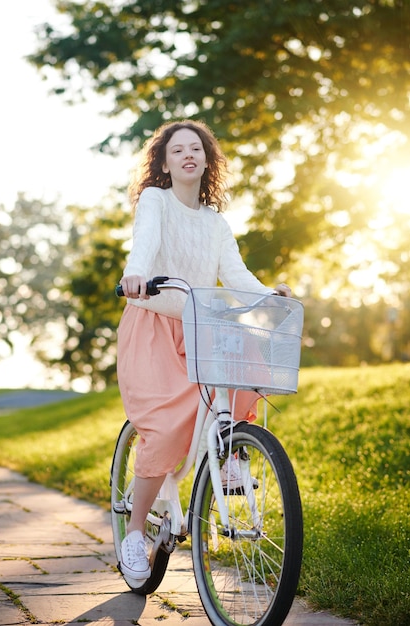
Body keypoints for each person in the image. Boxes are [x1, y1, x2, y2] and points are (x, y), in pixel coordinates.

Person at [117, 120, 291, 587]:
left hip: (198, 326)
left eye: (197, 148)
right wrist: (136, 274)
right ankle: (134, 534)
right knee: (169, 421)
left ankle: (233, 453)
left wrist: (268, 294)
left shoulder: (216, 224)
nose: (189, 155)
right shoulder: (156, 201)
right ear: (165, 162)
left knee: (249, 364)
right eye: (178, 150)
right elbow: (146, 241)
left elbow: (235, 276)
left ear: (207, 161)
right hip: (153, 322)